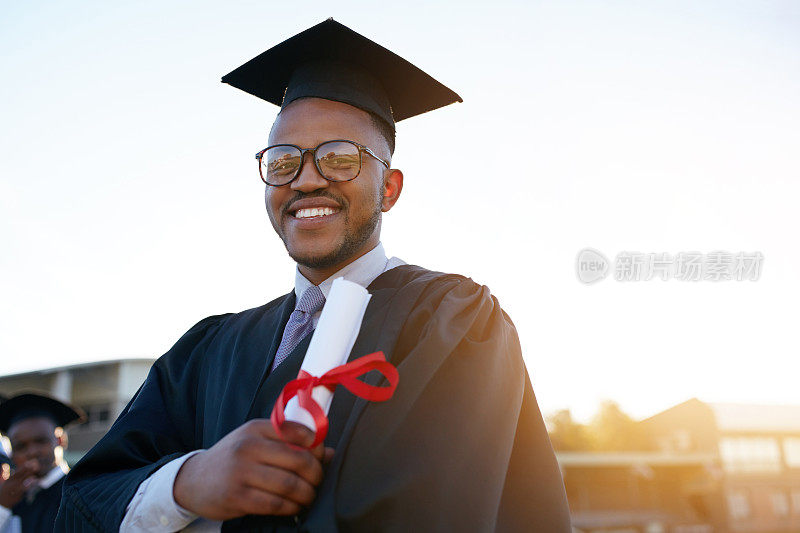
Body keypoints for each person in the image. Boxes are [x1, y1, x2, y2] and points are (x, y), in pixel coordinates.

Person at [56, 19, 571, 532]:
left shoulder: (450, 322)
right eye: (283, 162)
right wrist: (189, 482)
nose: (306, 179)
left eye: (340, 158)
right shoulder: (208, 351)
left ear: (389, 188)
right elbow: (83, 502)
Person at [0, 393, 85, 532]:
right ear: (11, 453)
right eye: (20, 446)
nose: (32, 452)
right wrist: (3, 506)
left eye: (40, 441)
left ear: (60, 440)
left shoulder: (80, 493)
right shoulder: (13, 500)